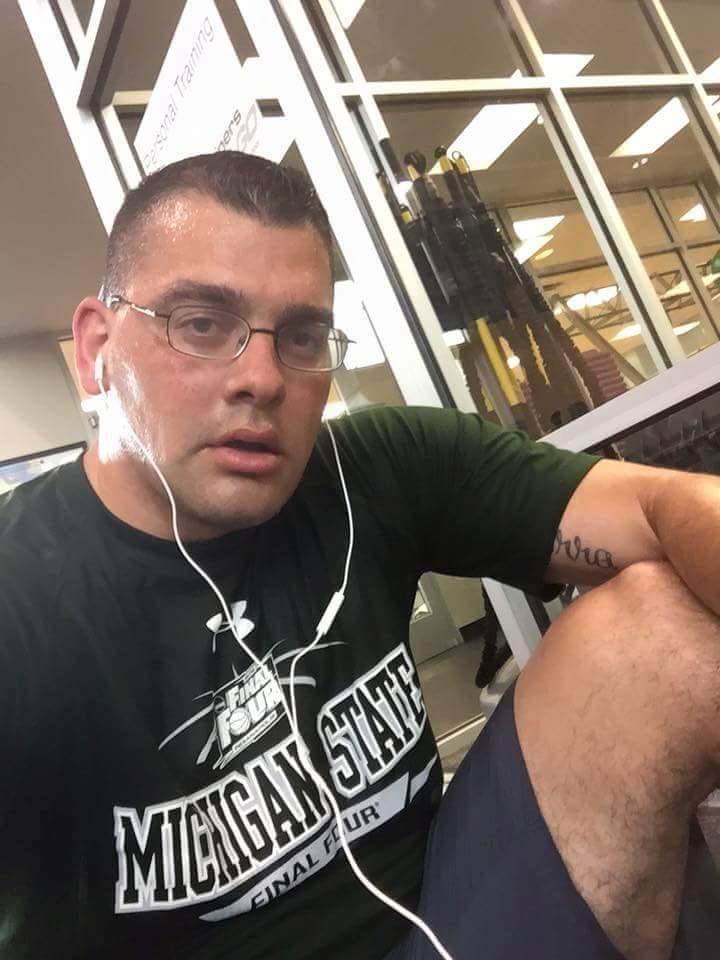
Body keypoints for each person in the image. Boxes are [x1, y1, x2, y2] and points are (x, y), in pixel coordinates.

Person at [2, 151, 719, 960]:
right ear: (98, 347)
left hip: (452, 912)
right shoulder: (20, 593)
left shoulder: (374, 466)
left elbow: (664, 508)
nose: (263, 378)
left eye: (302, 335)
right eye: (201, 323)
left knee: (668, 628)